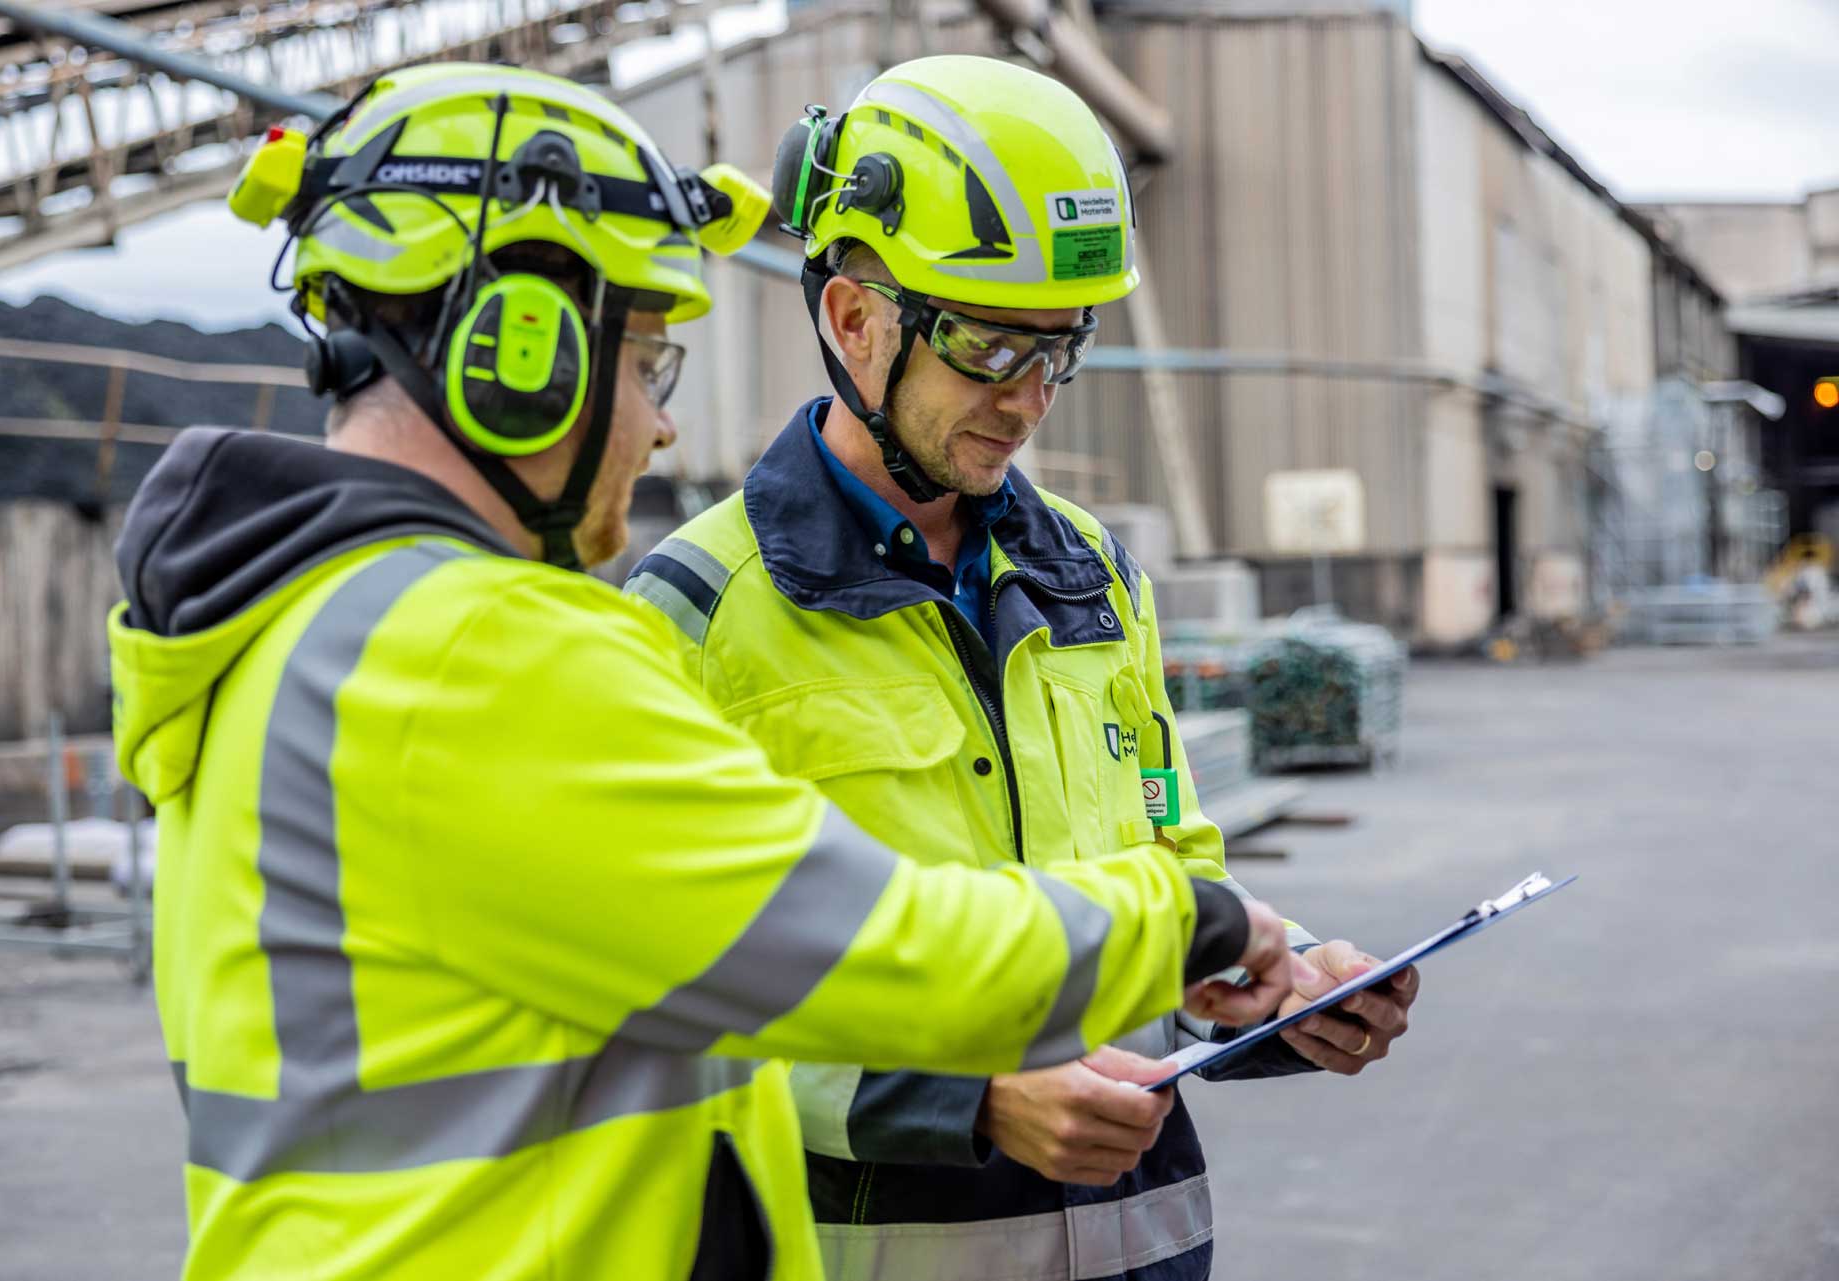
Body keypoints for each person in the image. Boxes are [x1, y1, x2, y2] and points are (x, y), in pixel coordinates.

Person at [106, 63, 1304, 1281]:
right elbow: (892, 947)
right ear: (524, 353)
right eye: (644, 363)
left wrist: (1251, 977)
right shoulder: (484, 653)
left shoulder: (295, 629)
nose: (660, 423)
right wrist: (1203, 924)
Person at [626, 56, 1419, 1281]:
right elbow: (653, 1009)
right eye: (995, 348)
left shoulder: (1092, 575)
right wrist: (967, 1099)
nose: (1033, 400)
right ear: (855, 318)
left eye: (1064, 349)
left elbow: (1170, 871)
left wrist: (1274, 984)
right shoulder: (698, 612)